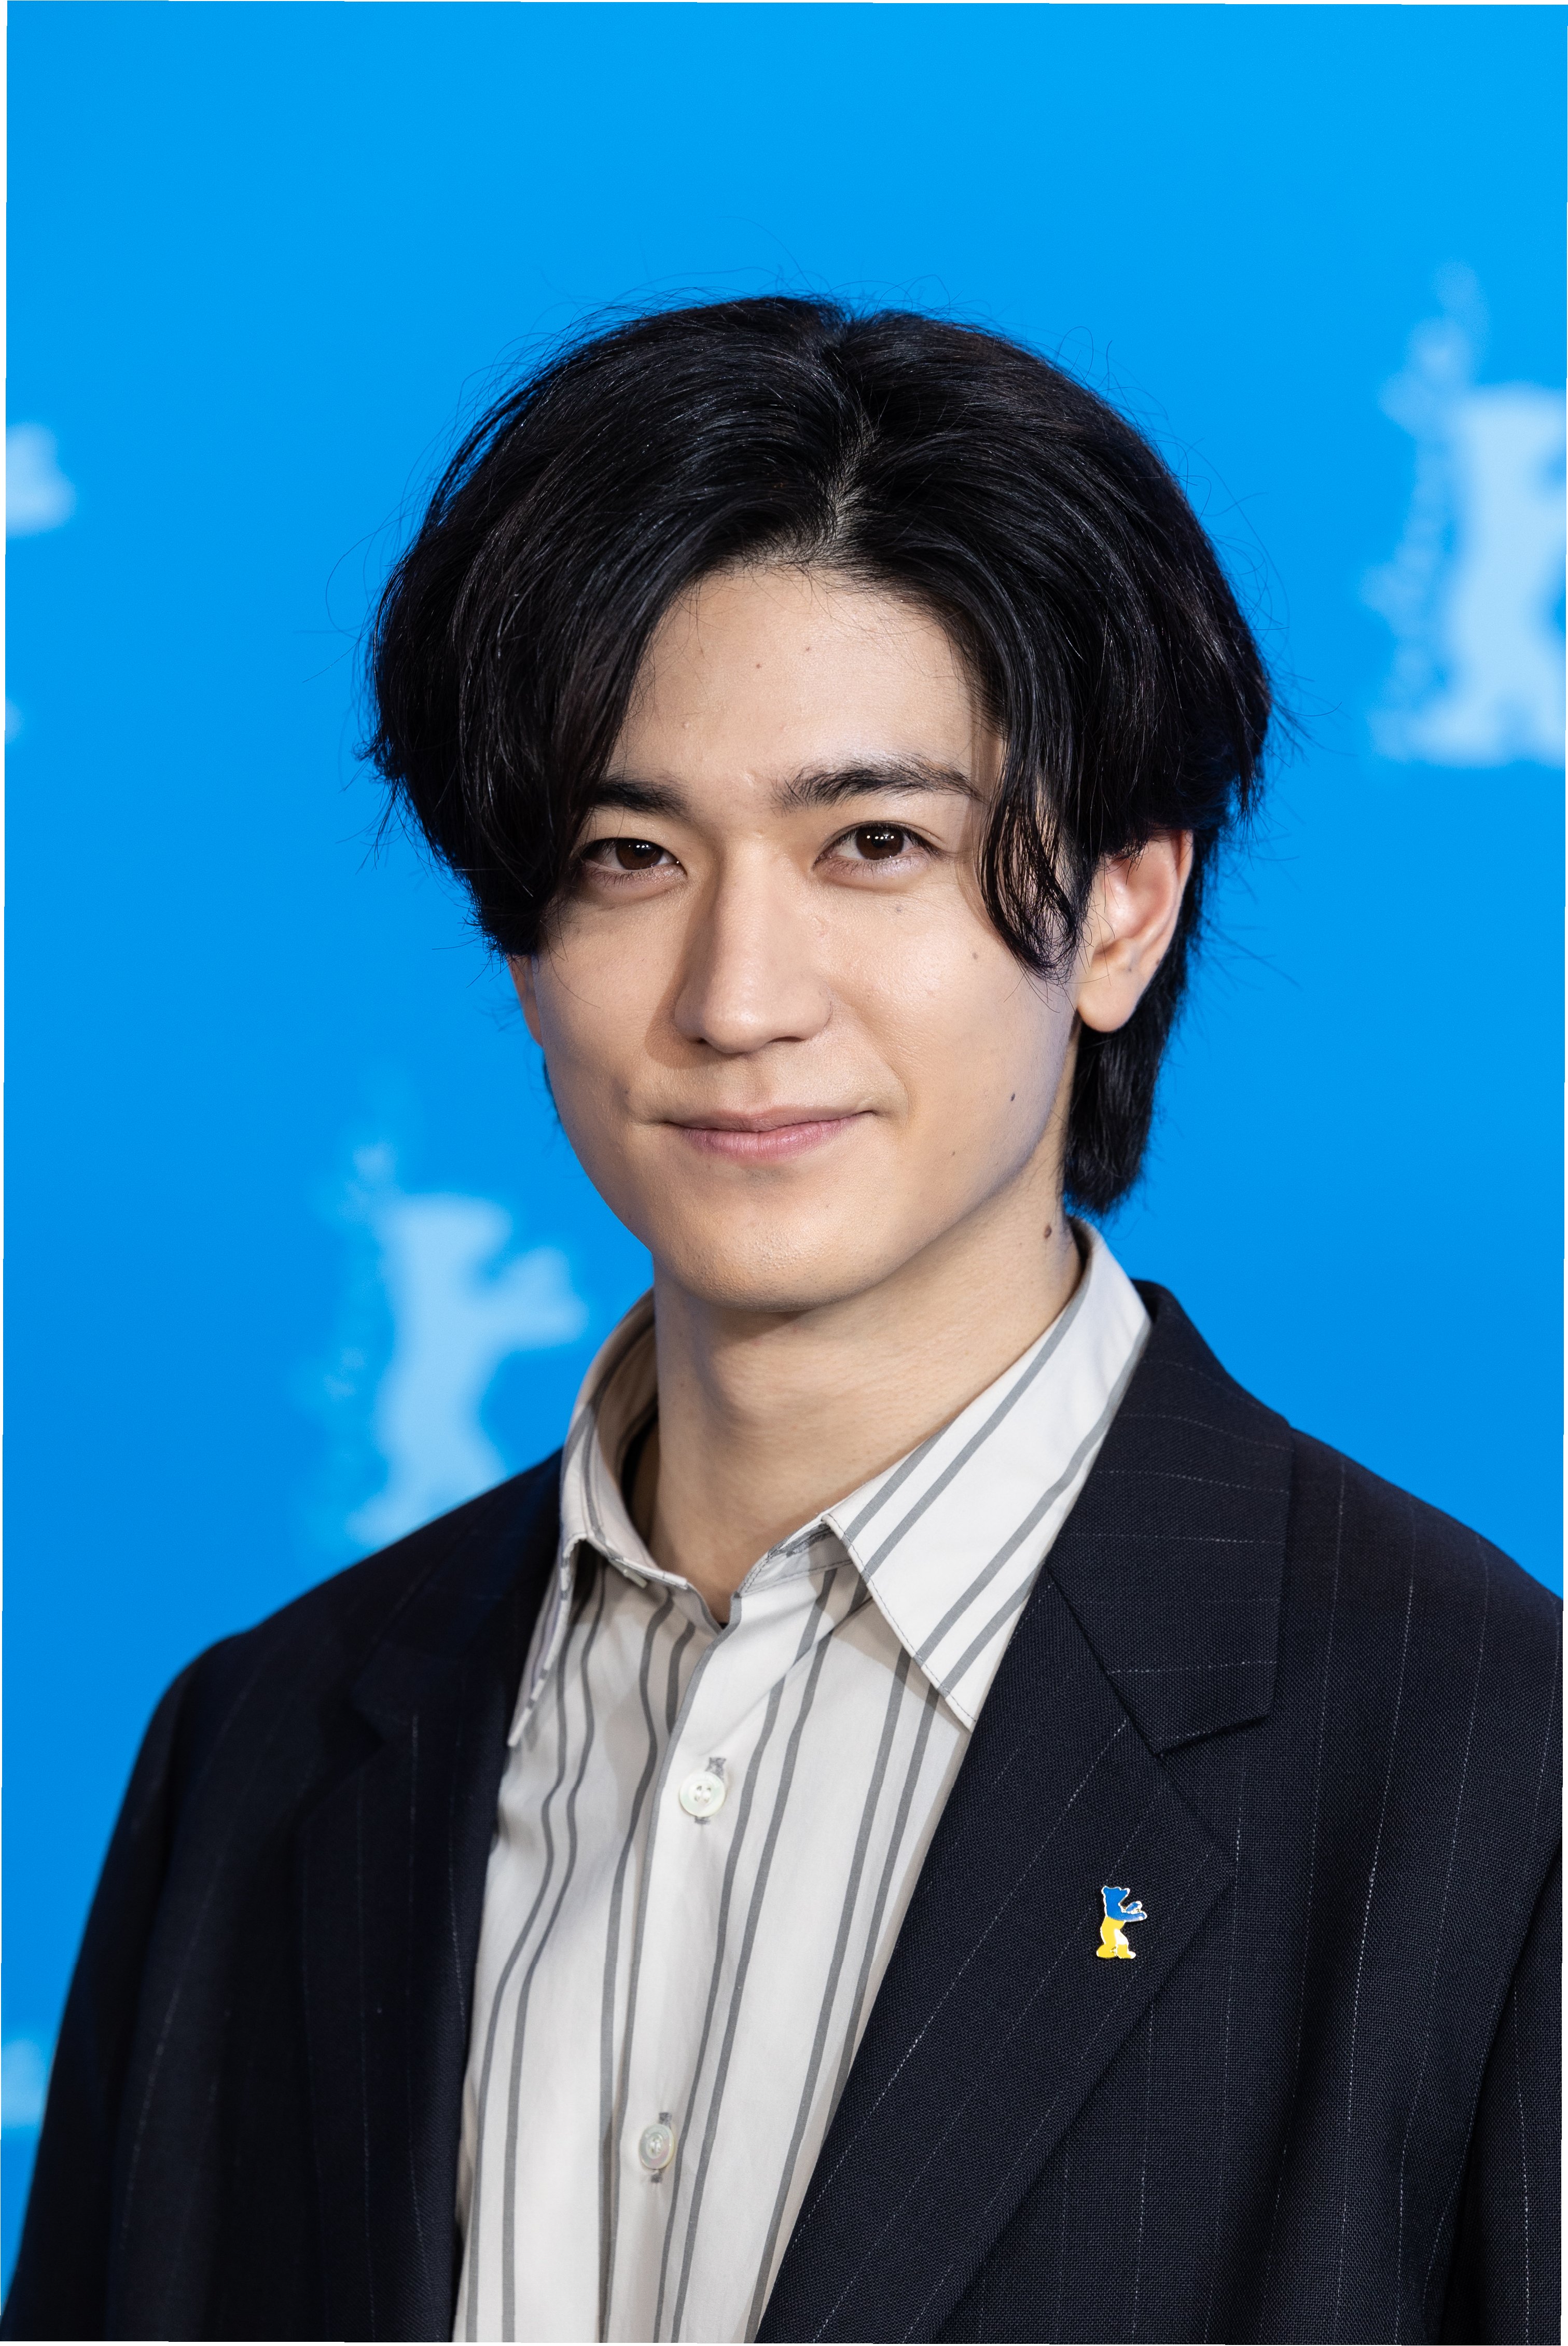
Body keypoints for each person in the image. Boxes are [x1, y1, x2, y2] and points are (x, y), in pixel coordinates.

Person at [4, 297, 1557, 2346]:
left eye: (874, 844)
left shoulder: (1496, 1771)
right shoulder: (261, 1751)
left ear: (1122, 904)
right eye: (630, 853)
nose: (738, 996)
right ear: (523, 934)